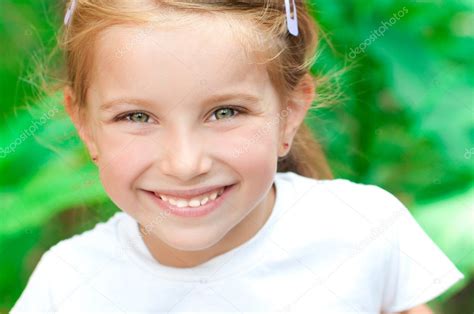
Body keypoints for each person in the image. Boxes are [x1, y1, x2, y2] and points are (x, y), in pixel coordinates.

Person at [11, 0, 463, 312]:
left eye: (225, 112)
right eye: (137, 116)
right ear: (84, 125)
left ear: (288, 114)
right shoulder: (67, 285)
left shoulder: (362, 229)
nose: (185, 164)